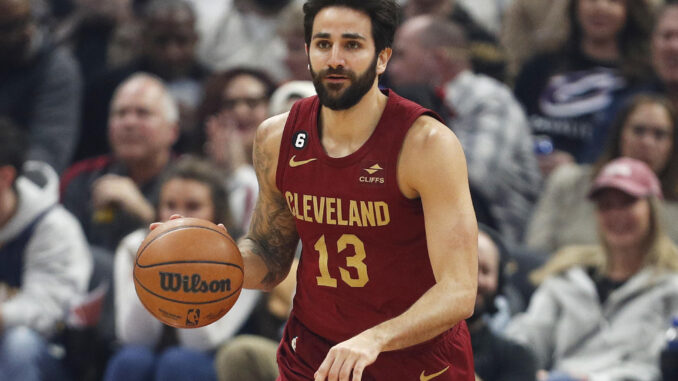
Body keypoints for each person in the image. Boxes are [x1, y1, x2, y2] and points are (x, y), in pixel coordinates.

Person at [154, 0, 478, 380]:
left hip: (414, 358)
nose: (335, 59)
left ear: (382, 57)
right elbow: (270, 256)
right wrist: (213, 261)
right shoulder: (276, 138)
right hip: (314, 354)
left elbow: (459, 289)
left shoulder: (426, 144)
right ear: (307, 52)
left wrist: (374, 339)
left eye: (352, 45)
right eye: (323, 44)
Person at [506, 157, 678, 381]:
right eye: (606, 205)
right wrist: (515, 365)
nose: (616, 214)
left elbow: (655, 367)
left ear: (652, 209)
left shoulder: (671, 286)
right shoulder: (567, 275)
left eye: (627, 202)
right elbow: (529, 335)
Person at [104, 156, 260, 381]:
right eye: (169, 205)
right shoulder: (133, 246)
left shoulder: (241, 256)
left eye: (193, 206)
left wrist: (191, 267)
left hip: (210, 358)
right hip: (149, 351)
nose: (178, 216)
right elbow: (134, 336)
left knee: (179, 362)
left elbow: (204, 342)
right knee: (131, 360)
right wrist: (150, 267)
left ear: (217, 213)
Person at [388, 15, 541, 243]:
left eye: (401, 55)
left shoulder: (488, 98)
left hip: (495, 241)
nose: (391, 68)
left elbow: (472, 180)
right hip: (429, 231)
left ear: (437, 59)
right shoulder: (404, 102)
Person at [514, 0, 655, 175]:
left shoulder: (642, 81)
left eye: (613, 1)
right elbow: (513, 130)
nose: (600, 7)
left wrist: (579, 167)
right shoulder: (540, 67)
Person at [525, 93, 678, 254]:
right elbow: (534, 255)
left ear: (672, 145)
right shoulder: (568, 182)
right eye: (638, 131)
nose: (647, 142)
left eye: (659, 134)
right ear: (620, 134)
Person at [0, 119, 92, 380]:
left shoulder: (53, 227)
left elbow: (49, 311)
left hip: (49, 355)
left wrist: (3, 316)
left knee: (19, 344)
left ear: (5, 176)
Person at [74, 0, 209, 161]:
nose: (171, 52)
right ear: (144, 39)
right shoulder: (106, 89)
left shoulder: (215, 88)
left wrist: (198, 125)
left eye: (181, 41)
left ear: (196, 39)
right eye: (161, 41)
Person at [61, 72, 179, 253]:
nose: (129, 123)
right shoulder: (80, 177)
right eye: (120, 113)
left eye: (143, 113)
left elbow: (193, 252)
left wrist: (143, 212)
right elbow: (62, 249)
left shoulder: (192, 181)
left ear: (173, 130)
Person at [0, 0, 83, 174]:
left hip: (18, 185)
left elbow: (47, 157)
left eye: (16, 24)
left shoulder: (56, 69)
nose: (19, 33)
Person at [195, 68, 278, 234]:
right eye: (230, 104)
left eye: (252, 103)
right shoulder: (201, 171)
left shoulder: (289, 165)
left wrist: (238, 169)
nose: (240, 111)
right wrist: (217, 171)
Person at [470, 227, 537, 381]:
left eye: (485, 271)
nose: (476, 280)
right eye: (469, 267)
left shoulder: (516, 357)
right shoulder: (416, 344)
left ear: (499, 282)